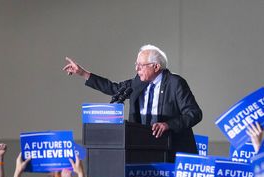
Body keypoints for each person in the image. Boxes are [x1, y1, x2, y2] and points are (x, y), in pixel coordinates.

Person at [63, 44, 203, 159]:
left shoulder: (175, 83)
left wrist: (168, 124)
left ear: (156, 66)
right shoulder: (138, 82)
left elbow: (194, 113)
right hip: (143, 148)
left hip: (171, 150)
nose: (137, 69)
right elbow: (114, 88)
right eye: (136, 64)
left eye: (141, 65)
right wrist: (83, 73)